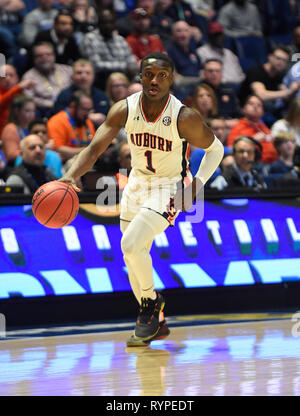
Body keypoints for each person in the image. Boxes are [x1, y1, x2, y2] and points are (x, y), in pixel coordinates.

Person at [59, 52, 224, 346]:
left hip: (169, 186)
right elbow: (94, 149)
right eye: (149, 74)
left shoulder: (183, 116)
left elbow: (217, 150)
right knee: (132, 254)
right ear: (140, 77)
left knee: (130, 244)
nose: (154, 81)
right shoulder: (123, 109)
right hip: (136, 183)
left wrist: (195, 186)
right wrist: (70, 176)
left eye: (162, 75)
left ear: (171, 79)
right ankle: (156, 322)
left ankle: (150, 304)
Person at [79, 8, 138, 90]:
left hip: (123, 81)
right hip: (101, 82)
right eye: (104, 22)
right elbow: (96, 65)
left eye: (111, 22)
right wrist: (123, 66)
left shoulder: (120, 40)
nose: (108, 26)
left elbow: (132, 64)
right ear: (99, 23)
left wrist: (129, 68)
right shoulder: (90, 38)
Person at [238, 45, 300, 120]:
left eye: (284, 60)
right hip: (247, 111)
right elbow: (262, 95)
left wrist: (294, 90)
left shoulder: (280, 76)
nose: (280, 62)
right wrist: (289, 91)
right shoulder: (256, 72)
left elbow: (285, 94)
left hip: (267, 111)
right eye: (278, 58)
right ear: (270, 57)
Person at [21, 41, 73, 118]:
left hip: (70, 107)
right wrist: (50, 104)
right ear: (34, 59)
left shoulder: (67, 70)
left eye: (48, 54)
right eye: (40, 56)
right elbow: (29, 98)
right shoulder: (28, 77)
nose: (44, 58)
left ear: (54, 55)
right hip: (45, 111)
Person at [54, 59, 110, 127]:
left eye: (87, 73)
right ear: (72, 76)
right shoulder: (64, 95)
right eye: (79, 73)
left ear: (93, 76)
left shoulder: (101, 96)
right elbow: (59, 119)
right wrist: (88, 116)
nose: (83, 76)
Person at [227, 94, 277, 164]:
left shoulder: (264, 127)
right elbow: (232, 150)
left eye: (259, 105)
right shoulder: (238, 127)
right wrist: (253, 140)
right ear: (244, 109)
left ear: (263, 112)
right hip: (253, 164)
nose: (255, 106)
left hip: (273, 163)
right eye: (251, 104)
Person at [47, 90, 95, 163]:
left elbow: (92, 143)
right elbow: (58, 149)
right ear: (72, 106)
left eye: (89, 110)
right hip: (65, 165)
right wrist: (88, 151)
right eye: (85, 109)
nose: (87, 113)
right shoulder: (57, 121)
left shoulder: (87, 121)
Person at [196, 21, 245, 85]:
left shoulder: (229, 53)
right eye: (215, 35)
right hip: (218, 86)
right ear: (209, 36)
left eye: (220, 34)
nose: (218, 38)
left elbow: (240, 75)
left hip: (238, 86)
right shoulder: (201, 52)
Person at [201, 58, 241, 124]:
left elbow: (238, 115)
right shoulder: (198, 90)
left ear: (222, 73)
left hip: (229, 126)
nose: (214, 74)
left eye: (217, 71)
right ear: (204, 73)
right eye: (210, 71)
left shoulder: (229, 90)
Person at [0, 64, 35, 137]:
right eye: (3, 76)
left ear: (17, 78)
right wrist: (18, 87)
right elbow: (2, 102)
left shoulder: (20, 92)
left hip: (21, 132)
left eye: (11, 75)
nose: (7, 79)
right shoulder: (18, 89)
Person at [1, 95, 36, 166]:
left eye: (33, 111)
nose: (31, 114)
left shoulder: (32, 128)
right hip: (14, 168)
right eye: (27, 111)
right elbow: (11, 154)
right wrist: (34, 152)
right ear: (17, 111)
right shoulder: (10, 128)